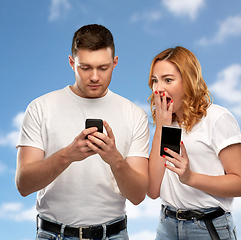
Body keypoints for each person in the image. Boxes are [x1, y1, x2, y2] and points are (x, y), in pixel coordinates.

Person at [16, 24, 150, 240]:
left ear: (115, 63)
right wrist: (67, 155)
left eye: (103, 68)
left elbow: (137, 196)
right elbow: (23, 185)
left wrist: (115, 159)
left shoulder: (134, 115)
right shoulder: (40, 108)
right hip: (53, 234)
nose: (95, 77)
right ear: (72, 63)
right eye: (85, 68)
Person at [146, 46, 241, 240]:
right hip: (167, 226)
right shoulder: (168, 124)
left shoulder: (217, 118)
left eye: (168, 80)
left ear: (188, 81)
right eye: (155, 80)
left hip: (207, 227)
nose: (158, 89)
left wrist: (190, 177)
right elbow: (152, 190)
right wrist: (162, 127)